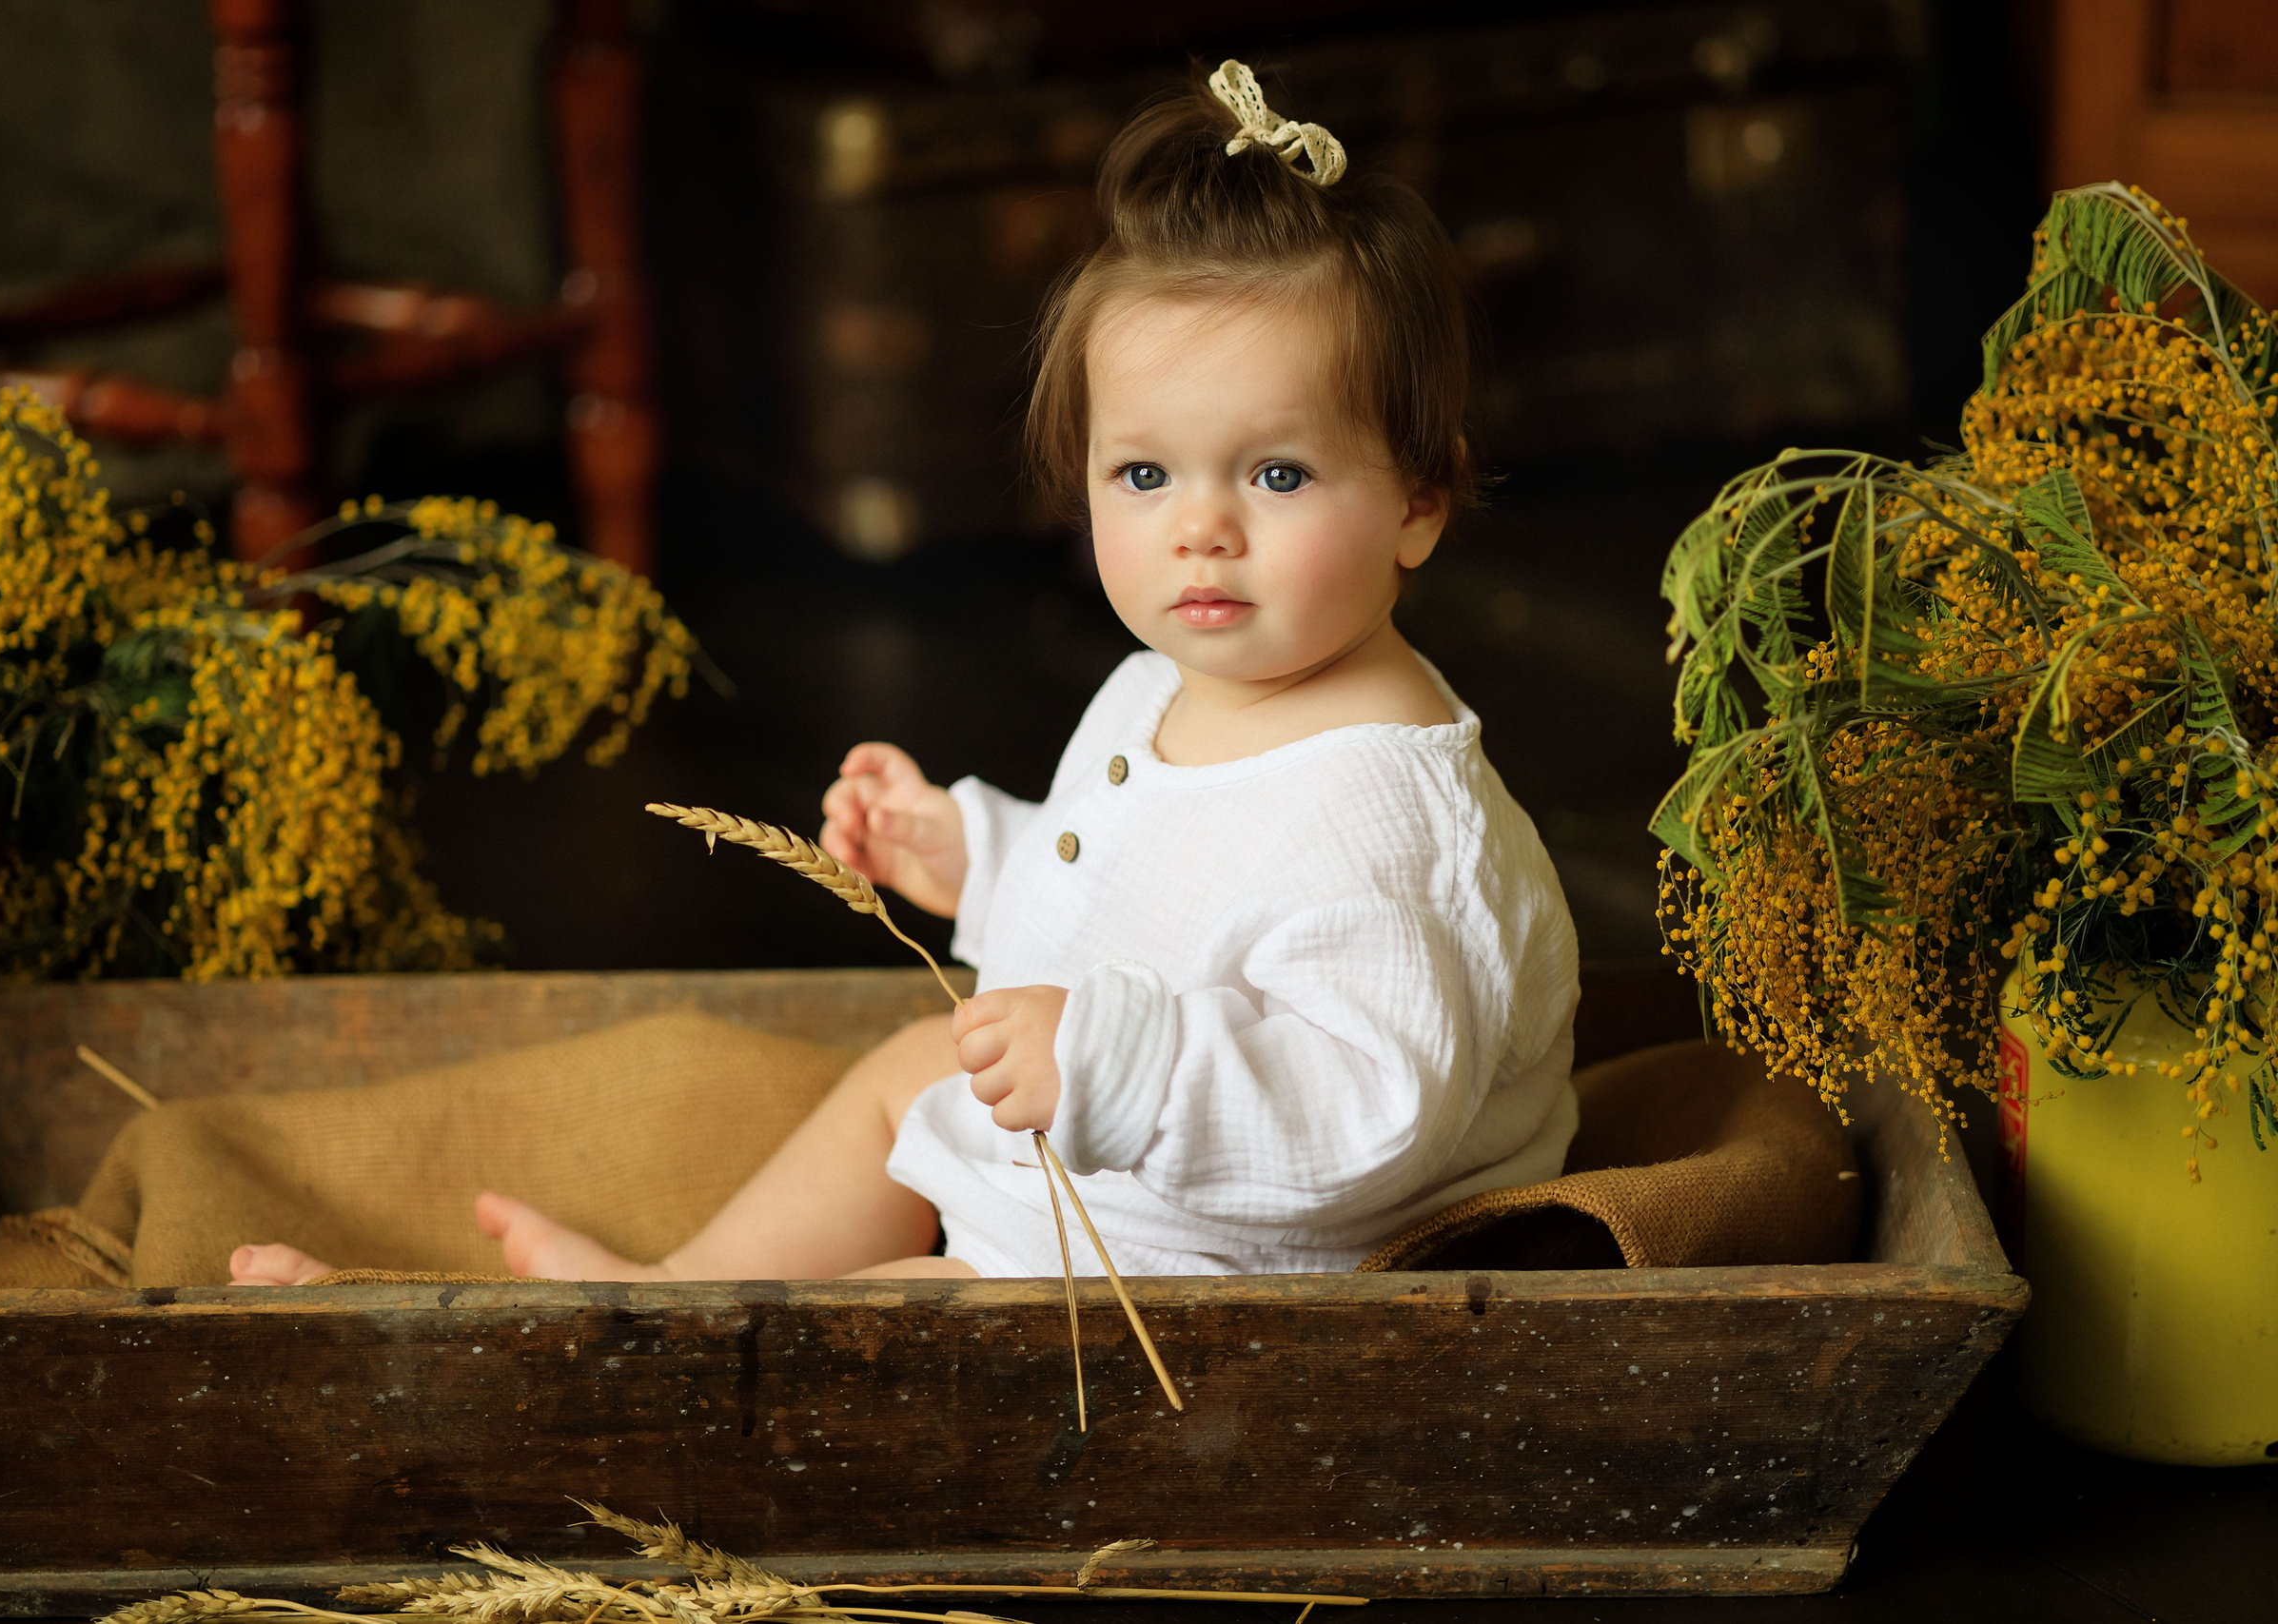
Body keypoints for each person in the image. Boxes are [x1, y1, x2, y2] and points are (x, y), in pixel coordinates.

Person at [231, 61, 1578, 1287]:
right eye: (1145, 474)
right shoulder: (1174, 680)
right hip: (1114, 1159)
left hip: (1241, 1257)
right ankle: (680, 1296)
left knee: (920, 1312)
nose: (1199, 527)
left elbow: (1373, 1114)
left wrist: (1114, 1061)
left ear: (1418, 499)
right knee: (910, 1070)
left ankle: (610, 1365)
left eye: (1277, 474)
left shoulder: (1389, 825)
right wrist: (981, 862)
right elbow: (1149, 889)